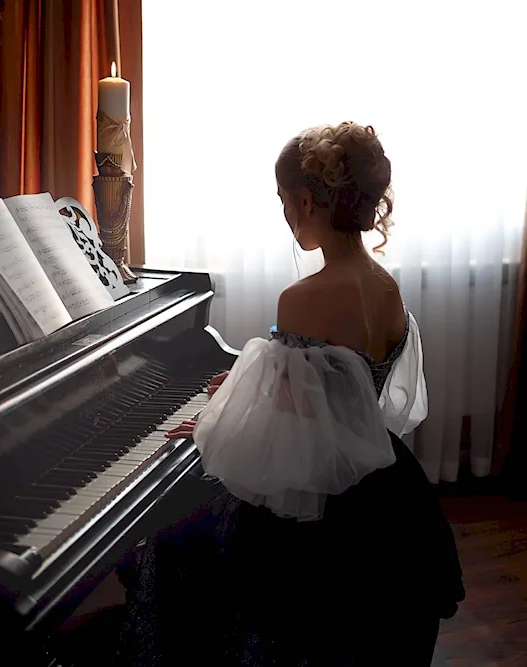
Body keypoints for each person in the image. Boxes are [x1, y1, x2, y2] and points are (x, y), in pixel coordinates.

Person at [113, 122, 465, 666]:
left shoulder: (302, 297)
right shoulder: (387, 287)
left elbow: (293, 413)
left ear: (306, 200)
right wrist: (245, 385)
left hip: (319, 494)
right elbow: (347, 390)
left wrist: (217, 419)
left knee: (176, 544)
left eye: (283, 200)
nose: (283, 213)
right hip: (384, 485)